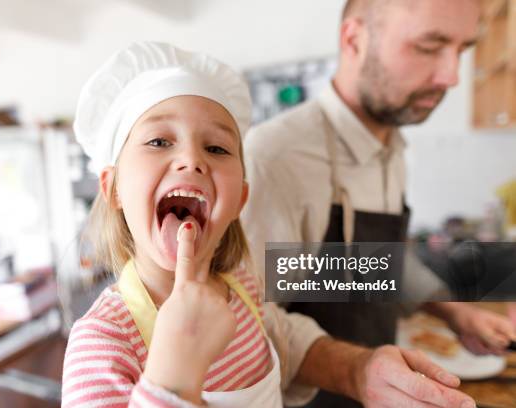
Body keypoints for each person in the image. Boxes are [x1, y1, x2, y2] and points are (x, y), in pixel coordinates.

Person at [61, 41, 478, 408]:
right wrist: (174, 375)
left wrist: (362, 368)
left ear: (241, 196)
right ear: (112, 188)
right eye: (158, 141)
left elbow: (284, 333)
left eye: (217, 147)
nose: (192, 159)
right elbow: (305, 275)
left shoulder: (243, 285)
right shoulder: (104, 344)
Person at [242, 0, 516, 407]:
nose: (451, 76)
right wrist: (354, 370)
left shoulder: (392, 147)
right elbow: (243, 319)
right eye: (428, 46)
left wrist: (454, 312)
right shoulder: (277, 156)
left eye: (461, 50)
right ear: (354, 39)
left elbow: (370, 262)